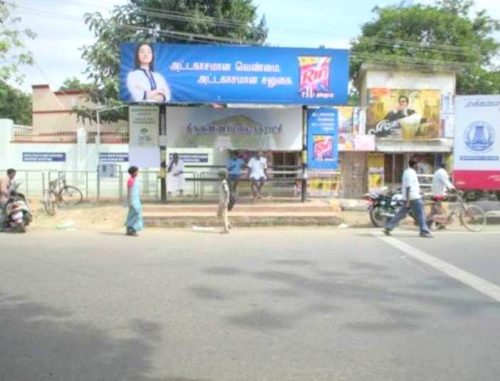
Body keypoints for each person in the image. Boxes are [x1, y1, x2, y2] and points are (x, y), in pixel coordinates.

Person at [384, 158, 432, 238]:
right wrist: (408, 201)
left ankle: (388, 227)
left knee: (400, 214)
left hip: (409, 197)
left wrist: (418, 193)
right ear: (415, 165)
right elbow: (409, 187)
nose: (418, 167)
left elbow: (411, 186)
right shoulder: (411, 173)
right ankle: (424, 231)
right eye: (417, 165)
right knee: (421, 214)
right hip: (413, 198)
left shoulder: (407, 172)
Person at [428, 163, 455, 228]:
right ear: (445, 167)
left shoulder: (438, 172)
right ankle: (434, 223)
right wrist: (453, 189)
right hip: (439, 193)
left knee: (436, 209)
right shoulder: (442, 172)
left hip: (435, 192)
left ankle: (436, 223)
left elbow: (443, 183)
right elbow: (446, 182)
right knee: (437, 209)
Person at [125, 166, 143, 237]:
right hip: (133, 200)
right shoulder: (130, 180)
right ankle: (131, 228)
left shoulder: (134, 180)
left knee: (136, 214)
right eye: (137, 171)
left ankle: (132, 228)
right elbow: (129, 191)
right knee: (135, 214)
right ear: (133, 172)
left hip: (136, 199)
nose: (137, 173)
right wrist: (130, 201)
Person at [217, 170, 230, 234]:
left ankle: (226, 229)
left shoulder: (224, 183)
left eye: (219, 175)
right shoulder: (222, 182)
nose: (218, 177)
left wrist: (226, 201)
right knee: (219, 214)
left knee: (224, 215)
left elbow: (227, 192)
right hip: (221, 201)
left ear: (222, 176)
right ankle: (227, 224)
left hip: (223, 201)